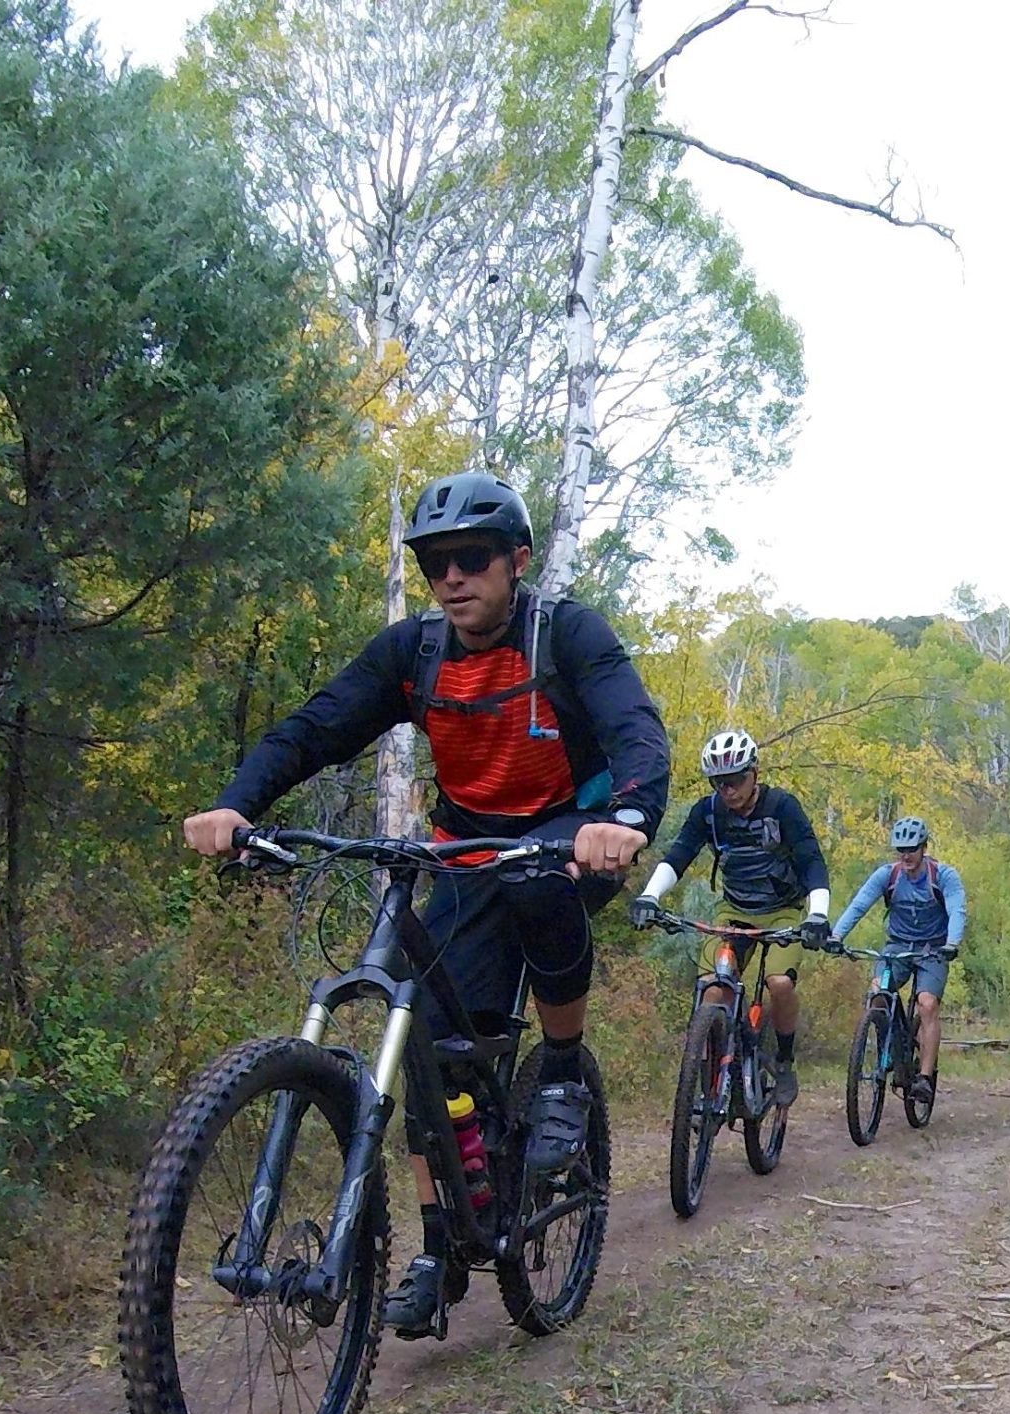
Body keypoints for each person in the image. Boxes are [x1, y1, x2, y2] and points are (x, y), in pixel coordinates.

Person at [182, 471, 668, 1337]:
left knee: (536, 883)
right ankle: (439, 1249)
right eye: (435, 562)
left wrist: (626, 818)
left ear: (516, 561)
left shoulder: (567, 635)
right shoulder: (415, 652)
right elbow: (315, 727)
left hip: (572, 827)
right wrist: (238, 802)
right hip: (466, 840)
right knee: (425, 1044)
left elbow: (634, 726)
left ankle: (559, 1072)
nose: (453, 577)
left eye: (472, 559)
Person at [628, 729, 832, 1106]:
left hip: (783, 910)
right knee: (713, 986)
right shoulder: (708, 813)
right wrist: (648, 896)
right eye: (719, 783)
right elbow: (679, 855)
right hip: (734, 910)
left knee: (778, 983)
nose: (729, 790)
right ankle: (709, 1073)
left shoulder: (782, 807)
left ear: (754, 772)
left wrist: (817, 915)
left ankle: (784, 1059)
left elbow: (811, 861)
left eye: (736, 780)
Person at [829, 816, 966, 1113]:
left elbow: (957, 910)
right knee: (878, 993)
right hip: (897, 948)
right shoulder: (887, 876)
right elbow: (859, 904)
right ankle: (888, 1048)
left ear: (924, 848)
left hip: (933, 951)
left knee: (927, 1004)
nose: (906, 855)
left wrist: (952, 943)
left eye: (912, 849)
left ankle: (925, 1079)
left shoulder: (943, 876)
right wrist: (836, 935)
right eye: (900, 849)